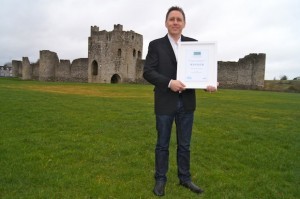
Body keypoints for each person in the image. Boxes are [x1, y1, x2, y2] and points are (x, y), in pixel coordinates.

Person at [143, 6, 217, 196]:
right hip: (165, 101)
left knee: (185, 145)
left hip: (187, 102)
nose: (175, 22)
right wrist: (169, 83)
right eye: (172, 19)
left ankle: (185, 179)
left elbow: (199, 74)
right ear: (166, 22)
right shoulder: (155, 45)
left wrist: (208, 83)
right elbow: (148, 72)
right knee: (162, 144)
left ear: (184, 23)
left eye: (179, 19)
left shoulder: (194, 44)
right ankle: (160, 179)